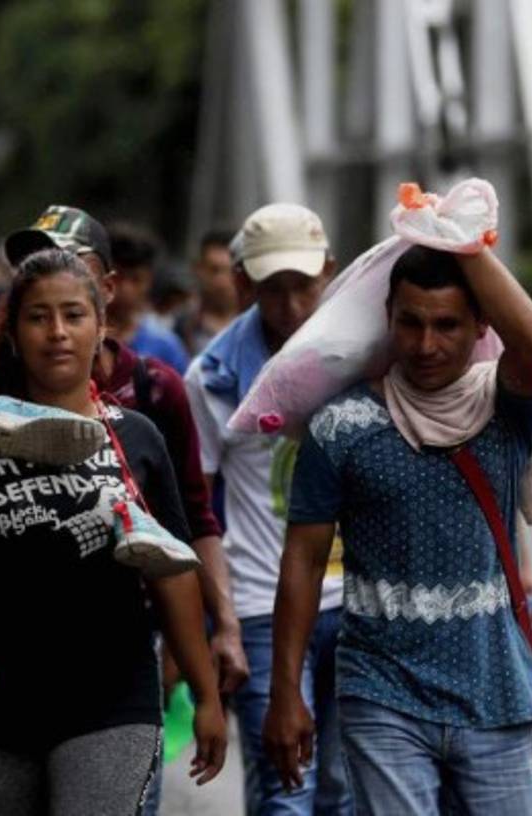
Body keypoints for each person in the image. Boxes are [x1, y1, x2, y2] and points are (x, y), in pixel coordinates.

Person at [0, 248, 227, 815]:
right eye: (38, 317)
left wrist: (205, 695)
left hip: (112, 700)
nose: (57, 332)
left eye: (73, 315)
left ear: (100, 325)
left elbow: (174, 574)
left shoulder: (139, 440)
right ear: (12, 331)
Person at [264, 245, 532, 815]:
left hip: (495, 690)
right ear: (389, 320)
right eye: (411, 323)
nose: (427, 345)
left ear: (480, 327)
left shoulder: (505, 407)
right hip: (381, 693)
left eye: (447, 325)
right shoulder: (340, 426)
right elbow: (301, 559)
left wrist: (464, 240)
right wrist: (286, 693)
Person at [184, 203, 351, 815]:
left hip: (357, 601)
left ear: (329, 273)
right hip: (260, 607)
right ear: (242, 283)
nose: (290, 307)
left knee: (345, 790)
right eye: (272, 289)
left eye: (303, 287)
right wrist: (220, 624)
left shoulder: (365, 359)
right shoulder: (214, 378)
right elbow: (199, 515)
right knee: (286, 790)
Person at [106, 222, 191, 374]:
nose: (126, 289)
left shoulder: (166, 346)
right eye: (118, 277)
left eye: (136, 280)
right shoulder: (83, 337)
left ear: (150, 282)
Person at [176, 228, 241, 356]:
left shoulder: (259, 325)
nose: (222, 281)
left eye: (230, 271)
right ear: (198, 269)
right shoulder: (180, 324)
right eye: (214, 270)